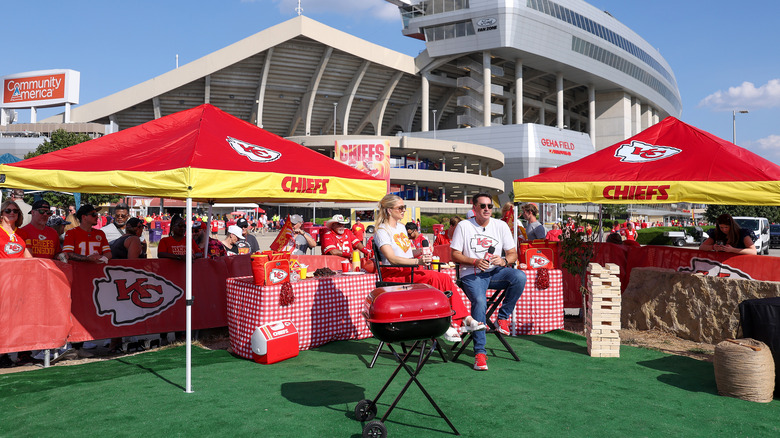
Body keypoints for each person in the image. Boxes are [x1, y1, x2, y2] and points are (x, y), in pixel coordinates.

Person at [374, 194, 484, 342]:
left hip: (409, 269)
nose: (403, 210)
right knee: (435, 277)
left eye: (404, 207)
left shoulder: (400, 227)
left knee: (443, 277)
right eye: (400, 208)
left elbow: (407, 252)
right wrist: (417, 262)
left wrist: (419, 252)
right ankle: (453, 322)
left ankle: (464, 319)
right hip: (394, 273)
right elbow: (392, 259)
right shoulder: (382, 231)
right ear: (388, 210)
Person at [450, 193, 526, 371]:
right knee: (480, 301)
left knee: (519, 277)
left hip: (495, 272)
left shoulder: (500, 225)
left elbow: (513, 254)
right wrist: (474, 261)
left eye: (489, 206)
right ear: (474, 208)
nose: (486, 209)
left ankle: (502, 318)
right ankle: (479, 353)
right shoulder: (464, 225)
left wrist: (505, 261)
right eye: (483, 206)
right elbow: (454, 255)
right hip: (471, 273)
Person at [0, 198, 34, 367]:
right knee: (3, 318)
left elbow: (29, 258)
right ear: (1, 214)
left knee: (21, 317)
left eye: (15, 211)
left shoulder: (22, 233)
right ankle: (3, 354)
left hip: (20, 281)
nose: (12, 213)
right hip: (2, 281)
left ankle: (23, 354)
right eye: (8, 211)